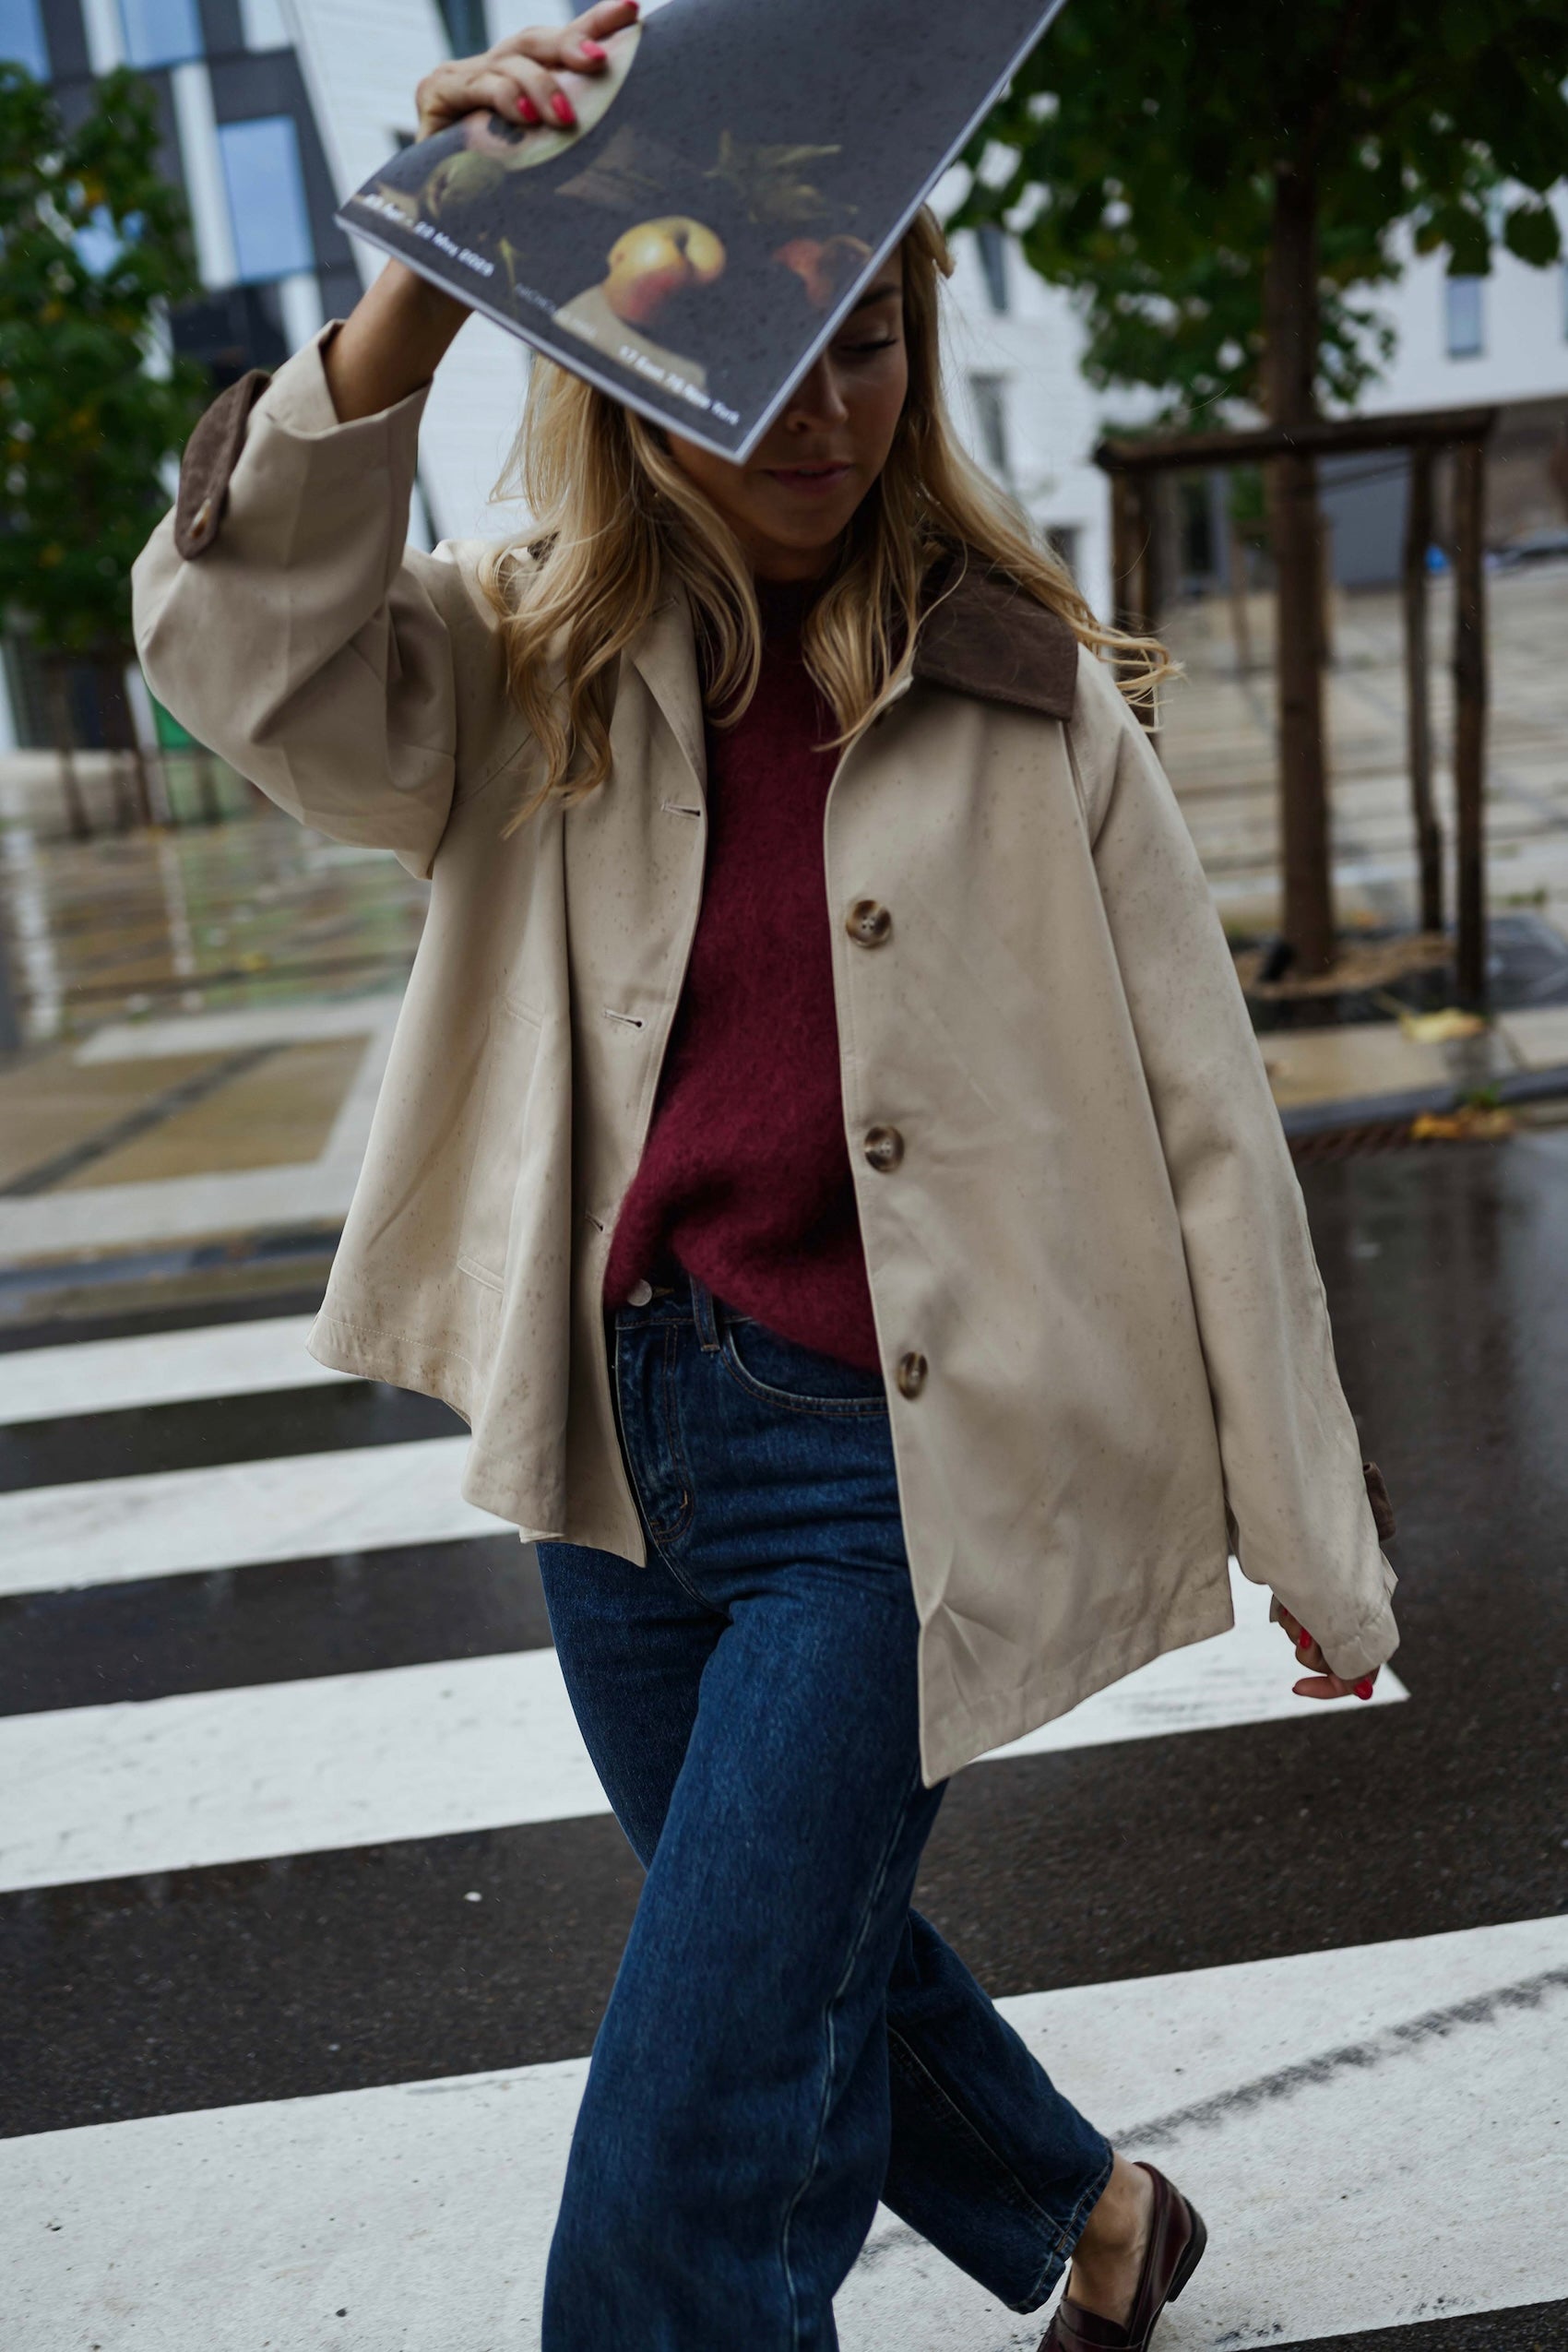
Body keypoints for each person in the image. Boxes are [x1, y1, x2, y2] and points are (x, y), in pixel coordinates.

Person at [133, 8, 1400, 2344]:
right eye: (767, 354)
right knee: (800, 1954)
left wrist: (1311, 1540)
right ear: (632, 370)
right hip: (617, 1458)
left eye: (875, 343)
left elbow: (1214, 1138)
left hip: (878, 1486)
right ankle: (1091, 2221)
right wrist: (426, 279)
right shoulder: (529, 664)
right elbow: (234, 656)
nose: (826, 414)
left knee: (696, 2141)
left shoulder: (1034, 706)